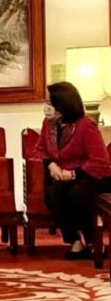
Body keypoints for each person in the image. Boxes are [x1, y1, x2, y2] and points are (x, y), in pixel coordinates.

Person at [33, 81, 111, 259]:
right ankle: (74, 240)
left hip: (90, 175)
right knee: (53, 192)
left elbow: (100, 161)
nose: (46, 107)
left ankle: (92, 241)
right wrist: (51, 165)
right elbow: (39, 149)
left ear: (62, 104)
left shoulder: (85, 125)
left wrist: (73, 174)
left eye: (50, 102)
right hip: (62, 176)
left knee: (77, 193)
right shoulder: (48, 124)